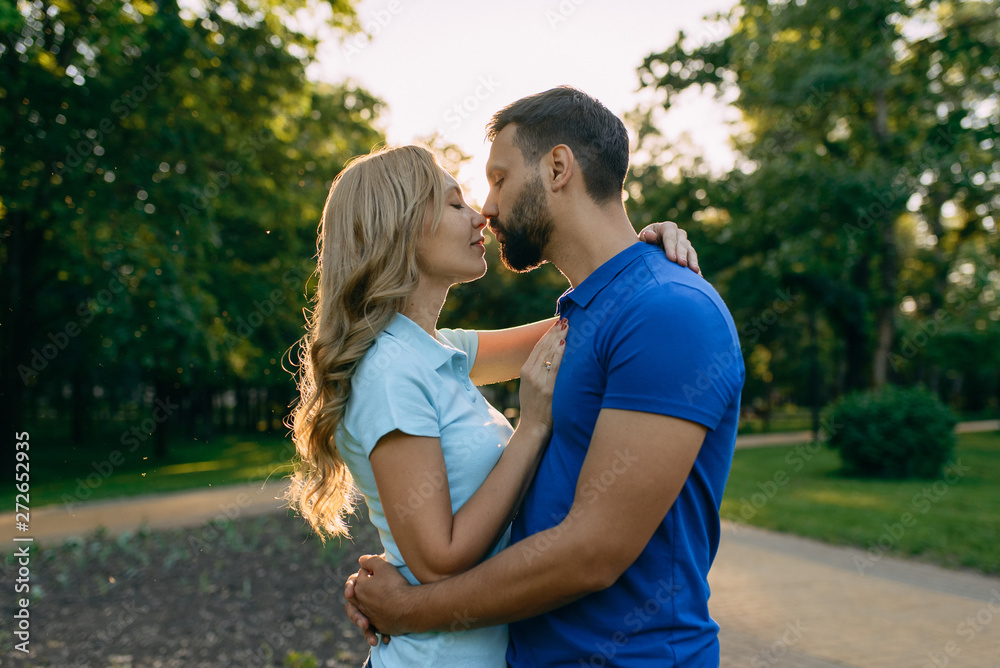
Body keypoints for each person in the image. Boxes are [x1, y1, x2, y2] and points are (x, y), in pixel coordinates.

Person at [344, 87, 745, 667]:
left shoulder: (667, 311)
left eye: (499, 178)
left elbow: (592, 554)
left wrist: (408, 610)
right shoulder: (582, 317)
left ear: (558, 168)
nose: (487, 207)